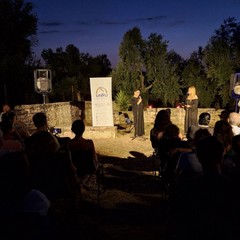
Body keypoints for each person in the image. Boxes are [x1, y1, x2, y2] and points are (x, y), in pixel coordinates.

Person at [69, 119, 99, 189]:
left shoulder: (69, 144)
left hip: (75, 175)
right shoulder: (89, 143)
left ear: (72, 129)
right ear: (83, 129)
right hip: (89, 175)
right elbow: (94, 159)